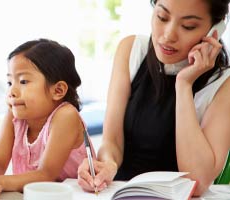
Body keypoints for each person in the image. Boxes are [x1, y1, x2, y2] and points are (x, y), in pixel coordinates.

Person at [78, 0, 230, 196]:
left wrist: (184, 85)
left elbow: (198, 182)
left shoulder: (223, 84)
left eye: (188, 26)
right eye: (162, 17)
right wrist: (107, 165)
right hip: (121, 194)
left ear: (215, 30)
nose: (168, 35)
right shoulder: (131, 50)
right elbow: (112, 141)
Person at [0, 38, 94, 199]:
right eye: (10, 82)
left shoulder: (66, 116)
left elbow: (45, 175)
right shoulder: (15, 117)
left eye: (23, 81)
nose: (12, 91)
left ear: (58, 90)